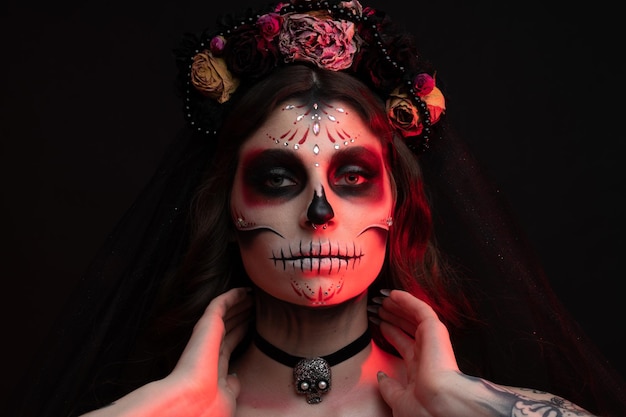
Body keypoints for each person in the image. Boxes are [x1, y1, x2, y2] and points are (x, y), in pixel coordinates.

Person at [11, 0, 626, 416]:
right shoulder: (177, 405)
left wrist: (459, 400)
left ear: (397, 203)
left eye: (354, 176)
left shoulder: (452, 405)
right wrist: (166, 405)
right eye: (278, 179)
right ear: (229, 207)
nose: (320, 211)